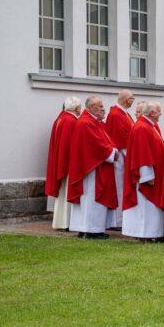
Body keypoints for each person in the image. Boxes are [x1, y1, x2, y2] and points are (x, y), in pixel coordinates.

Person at [67, 95, 117, 239]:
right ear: (92, 107)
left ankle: (87, 229)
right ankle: (91, 230)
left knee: (89, 200)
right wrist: (113, 152)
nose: (103, 109)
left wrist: (112, 149)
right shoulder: (86, 123)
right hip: (91, 169)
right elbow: (98, 146)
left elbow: (105, 141)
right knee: (91, 199)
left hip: (92, 167)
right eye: (100, 107)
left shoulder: (93, 122)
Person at [122, 101, 164, 241]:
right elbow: (142, 154)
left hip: (153, 173)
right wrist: (147, 176)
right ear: (152, 113)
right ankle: (145, 234)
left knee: (150, 208)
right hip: (147, 176)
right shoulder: (142, 127)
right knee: (146, 208)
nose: (161, 114)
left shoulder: (148, 126)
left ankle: (152, 233)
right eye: (159, 111)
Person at [45, 96, 81, 230]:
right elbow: (71, 145)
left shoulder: (61, 118)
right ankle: (66, 222)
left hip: (62, 162)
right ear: (77, 108)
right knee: (67, 192)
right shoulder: (70, 121)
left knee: (63, 193)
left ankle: (61, 222)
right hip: (68, 164)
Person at [105, 89, 135, 229]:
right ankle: (117, 220)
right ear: (124, 100)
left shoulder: (124, 113)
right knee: (118, 186)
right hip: (120, 159)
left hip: (124, 156)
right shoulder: (116, 115)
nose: (133, 100)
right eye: (131, 98)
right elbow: (121, 138)